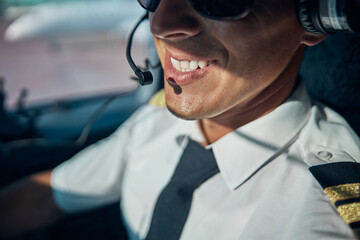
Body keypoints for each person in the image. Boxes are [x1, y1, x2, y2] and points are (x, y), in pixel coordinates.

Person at [1, 0, 360, 239]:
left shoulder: (319, 211)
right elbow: (47, 195)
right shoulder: (158, 121)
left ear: (312, 19)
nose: (162, 23)